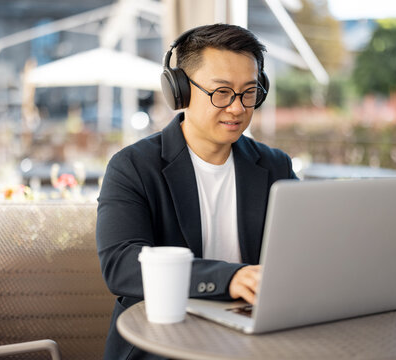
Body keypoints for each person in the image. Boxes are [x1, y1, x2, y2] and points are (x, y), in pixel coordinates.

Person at [96, 23, 298, 360]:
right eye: (221, 92)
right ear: (180, 91)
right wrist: (227, 278)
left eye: (249, 92)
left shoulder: (276, 166)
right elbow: (122, 265)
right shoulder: (132, 166)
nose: (237, 108)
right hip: (162, 341)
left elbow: (302, 251)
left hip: (253, 338)